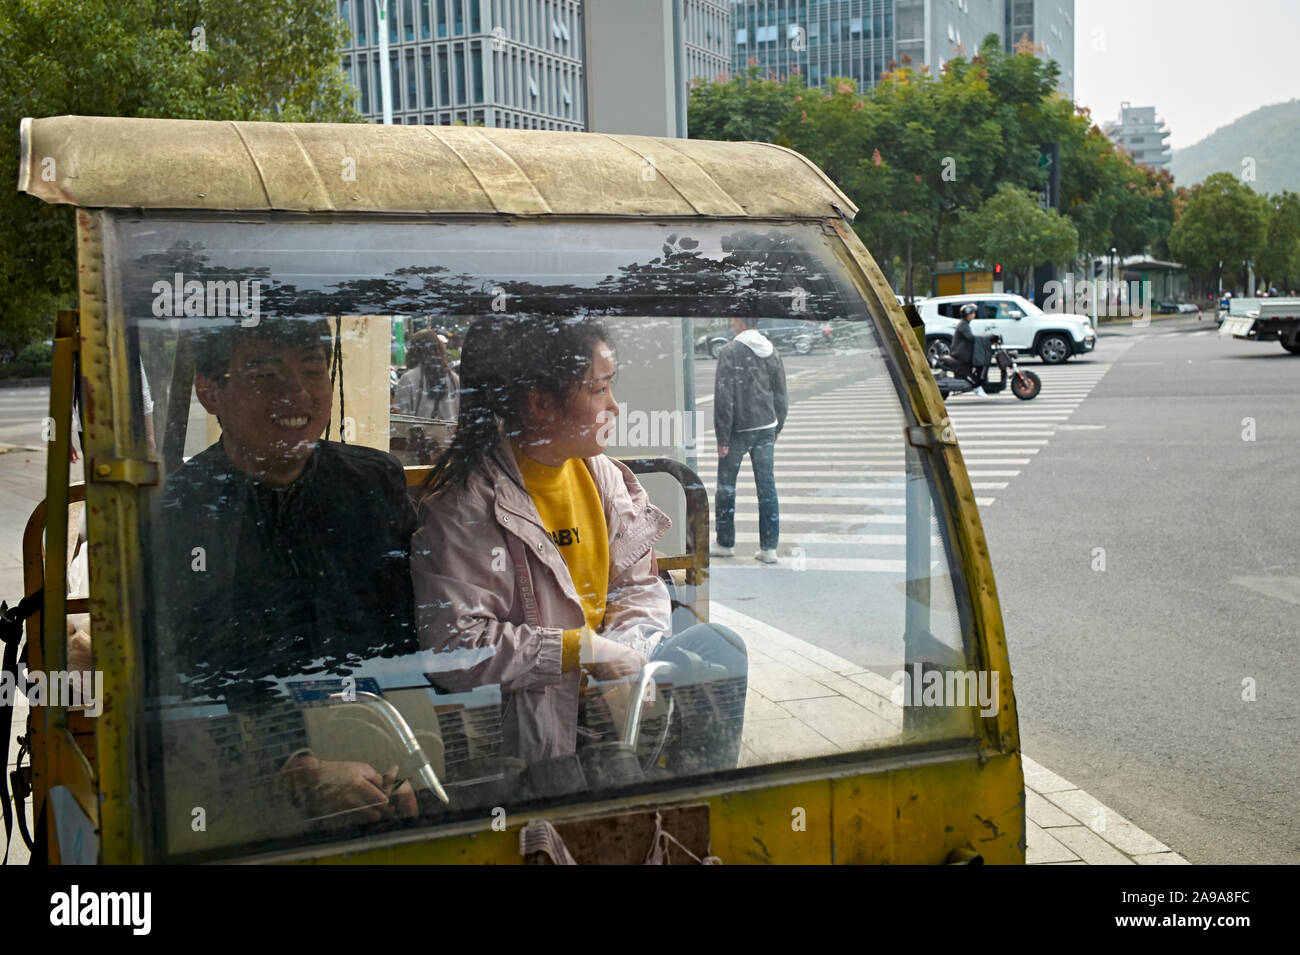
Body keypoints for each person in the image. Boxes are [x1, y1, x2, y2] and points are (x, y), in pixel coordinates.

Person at [411, 314, 747, 773]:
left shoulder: (603, 477)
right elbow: (454, 647)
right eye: (598, 389)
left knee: (721, 646)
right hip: (537, 722)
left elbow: (637, 585)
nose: (615, 406)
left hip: (612, 699)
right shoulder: (465, 508)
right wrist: (580, 651)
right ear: (541, 404)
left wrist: (626, 655)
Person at [158, 318, 419, 823]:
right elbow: (186, 675)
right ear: (209, 392)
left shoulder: (374, 484)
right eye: (265, 375)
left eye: (313, 371)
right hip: (245, 788)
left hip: (392, 747)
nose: (296, 394)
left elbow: (413, 636)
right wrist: (294, 767)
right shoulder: (179, 513)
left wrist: (408, 753)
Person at [711, 317, 787, 564]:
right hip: (766, 426)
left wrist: (723, 436)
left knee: (726, 487)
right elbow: (780, 391)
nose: (732, 323)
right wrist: (778, 424)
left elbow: (724, 395)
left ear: (740, 322)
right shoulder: (770, 349)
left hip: (738, 430)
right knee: (767, 488)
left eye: (734, 319)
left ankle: (725, 543)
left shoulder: (730, 351)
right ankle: (769, 548)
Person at [393, 329, 459, 420]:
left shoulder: (408, 378)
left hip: (420, 433)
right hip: (449, 433)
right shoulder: (453, 378)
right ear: (438, 349)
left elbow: (401, 417)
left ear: (413, 350)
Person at [946, 304, 986, 397]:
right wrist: (984, 339)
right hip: (960, 352)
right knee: (979, 363)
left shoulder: (964, 323)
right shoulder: (963, 325)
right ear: (968, 314)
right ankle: (977, 385)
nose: (974, 314)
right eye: (973, 313)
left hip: (961, 351)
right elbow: (970, 338)